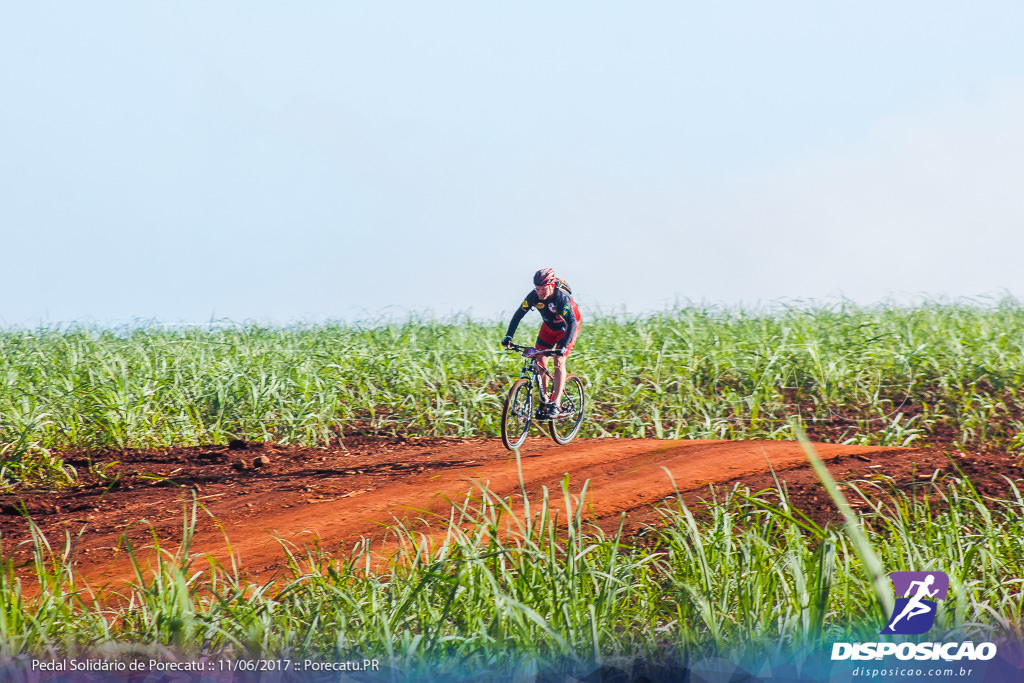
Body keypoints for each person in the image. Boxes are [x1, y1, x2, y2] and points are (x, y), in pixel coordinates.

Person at [502, 268, 582, 418]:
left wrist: (563, 347)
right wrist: (508, 336)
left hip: (567, 328)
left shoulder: (561, 298)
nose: (540, 292)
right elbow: (518, 314)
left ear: (551, 285)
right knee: (540, 360)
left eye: (543, 289)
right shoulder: (533, 296)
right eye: (537, 289)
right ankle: (544, 401)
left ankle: (556, 404)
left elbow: (571, 322)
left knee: (559, 360)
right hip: (549, 328)